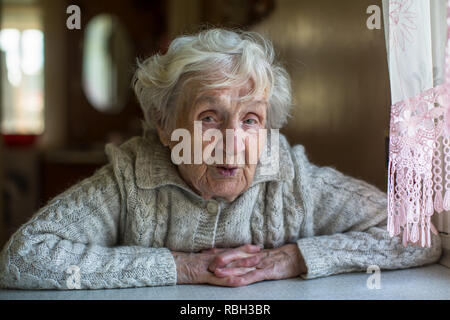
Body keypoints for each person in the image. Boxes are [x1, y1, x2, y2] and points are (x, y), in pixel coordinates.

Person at [0, 28, 441, 289]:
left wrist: (295, 257)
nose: (233, 141)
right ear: (163, 123)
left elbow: (418, 235)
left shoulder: (290, 179)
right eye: (209, 117)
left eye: (251, 120)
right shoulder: (130, 180)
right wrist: (178, 267)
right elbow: (23, 258)